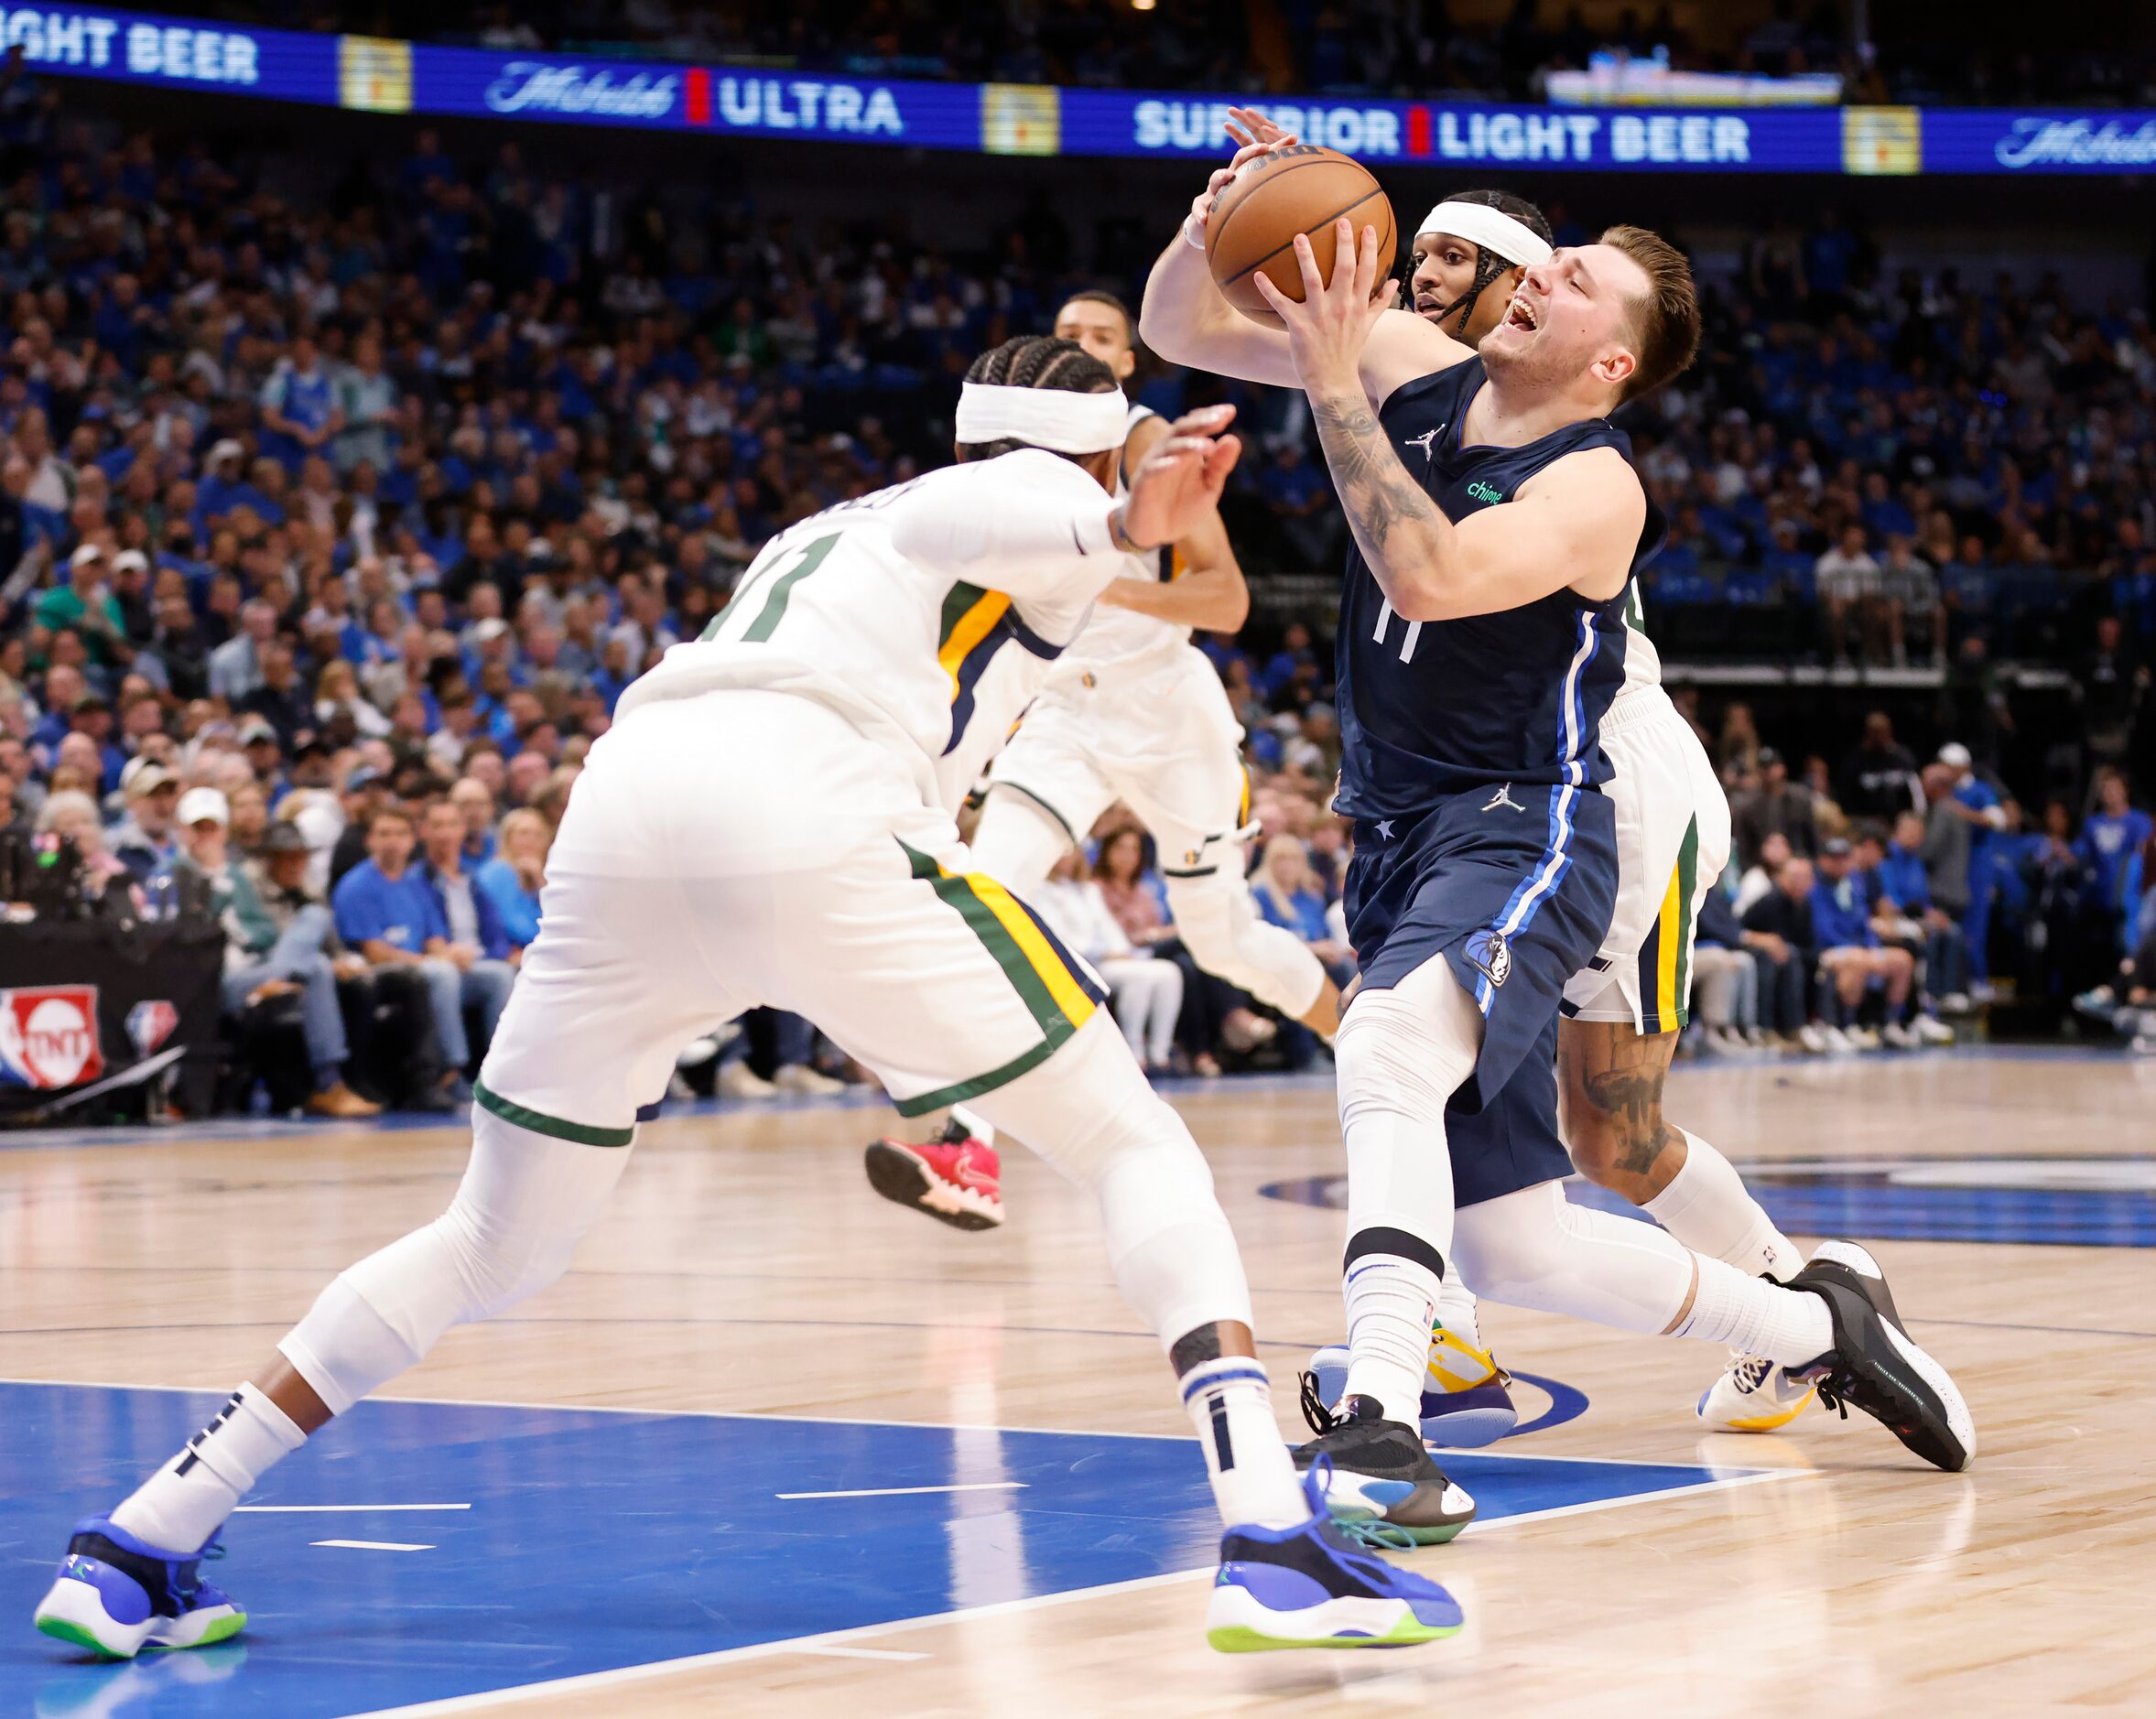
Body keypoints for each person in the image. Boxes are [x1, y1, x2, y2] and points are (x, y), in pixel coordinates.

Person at [36, 341, 1458, 1661]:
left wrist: (1113, 513)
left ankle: (141, 1536)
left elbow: (1017, 551)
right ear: (1071, 459)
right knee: (1133, 1147)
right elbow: (1009, 514)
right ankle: (1270, 1536)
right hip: (805, 796)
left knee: (489, 1239)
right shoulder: (1003, 503)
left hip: (631, 801)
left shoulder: (832, 535)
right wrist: (1112, 509)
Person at [1145, 122, 1971, 1523]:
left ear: (1606, 362)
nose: (1537, 276)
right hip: (1400, 828)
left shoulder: (1596, 481)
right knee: (1520, 1234)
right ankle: (1810, 1325)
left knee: (1411, 1043)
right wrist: (1213, 212)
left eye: (1573, 276)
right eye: (1553, 258)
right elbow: (1179, 318)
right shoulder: (1413, 369)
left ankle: (1383, 1422)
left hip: (1543, 811)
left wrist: (1332, 378)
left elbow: (1421, 575)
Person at [867, 289, 1338, 1229]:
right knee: (979, 896)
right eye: (1065, 334)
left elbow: (1227, 601)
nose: (1078, 345)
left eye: (1100, 338)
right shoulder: (1009, 457)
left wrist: (1100, 584)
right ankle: (967, 1152)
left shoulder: (1147, 445)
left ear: (1126, 364)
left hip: (1170, 716)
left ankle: (1365, 1038)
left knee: (1222, 940)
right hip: (1060, 720)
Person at [168, 793, 378, 1119]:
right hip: (212, 983)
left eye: (213, 828)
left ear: (225, 832)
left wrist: (243, 929)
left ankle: (328, 1082)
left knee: (317, 935)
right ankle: (327, 1081)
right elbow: (194, 936)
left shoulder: (235, 875)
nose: (206, 837)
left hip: (256, 967)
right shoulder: (172, 874)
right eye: (199, 829)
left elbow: (264, 932)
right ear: (183, 831)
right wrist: (217, 884)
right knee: (314, 962)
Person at [330, 805, 495, 1108]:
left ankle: (499, 1071)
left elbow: (433, 937)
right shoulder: (356, 885)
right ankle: (451, 1068)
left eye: (400, 833)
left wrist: (449, 953)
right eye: (384, 833)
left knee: (496, 976)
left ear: (412, 840)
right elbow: (373, 950)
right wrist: (432, 962)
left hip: (425, 967)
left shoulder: (416, 884)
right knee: (441, 974)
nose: (392, 841)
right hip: (380, 975)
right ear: (370, 841)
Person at [1035, 848, 1184, 1075]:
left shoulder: (1088, 889)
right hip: (1083, 962)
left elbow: (1107, 926)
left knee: (1169, 972)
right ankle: (1135, 1052)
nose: (1068, 858)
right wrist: (1105, 953)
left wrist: (1121, 950)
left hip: (1113, 957)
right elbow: (1057, 937)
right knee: (1140, 979)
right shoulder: (1041, 890)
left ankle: (1159, 1052)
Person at [1810, 837, 1919, 1049]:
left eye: (1844, 858)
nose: (1840, 863)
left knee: (1902, 960)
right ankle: (1847, 1025)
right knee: (1858, 961)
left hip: (1860, 948)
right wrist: (1859, 951)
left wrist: (1872, 948)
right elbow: (1823, 929)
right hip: (1829, 949)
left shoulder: (1853, 884)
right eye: (1834, 858)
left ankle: (1890, 1023)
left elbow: (1863, 922)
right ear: (1823, 861)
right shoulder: (1815, 888)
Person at [1743, 854, 1825, 1050]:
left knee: (1798, 958)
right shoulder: (1770, 901)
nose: (1799, 882)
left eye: (1804, 877)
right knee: (1778, 957)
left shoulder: (1804, 906)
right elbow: (1743, 930)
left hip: (1790, 956)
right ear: (1780, 877)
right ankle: (1766, 1028)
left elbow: (1809, 945)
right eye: (1794, 876)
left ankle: (1799, 1027)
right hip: (1755, 953)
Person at [474, 806, 549, 950]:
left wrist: (541, 882)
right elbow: (515, 927)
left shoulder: (545, 875)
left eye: (538, 835)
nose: (531, 841)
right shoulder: (496, 872)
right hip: (507, 950)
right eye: (523, 833)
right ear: (508, 838)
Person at [108, 757, 182, 881]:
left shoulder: (184, 842)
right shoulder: (116, 845)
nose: (163, 804)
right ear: (133, 802)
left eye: (168, 794)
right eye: (154, 795)